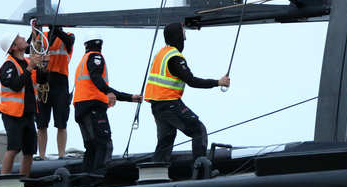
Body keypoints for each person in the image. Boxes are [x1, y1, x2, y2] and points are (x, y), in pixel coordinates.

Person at [144, 22, 230, 164]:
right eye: (183, 33)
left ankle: (155, 175)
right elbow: (192, 81)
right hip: (170, 104)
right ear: (177, 36)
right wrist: (218, 82)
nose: (185, 37)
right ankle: (201, 171)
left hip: (157, 107)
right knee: (198, 130)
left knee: (165, 141)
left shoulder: (161, 53)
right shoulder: (174, 57)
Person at [73, 33, 141, 173]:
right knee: (104, 145)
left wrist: (129, 98)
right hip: (93, 108)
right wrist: (108, 92)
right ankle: (99, 181)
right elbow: (96, 77)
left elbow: (97, 84)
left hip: (81, 108)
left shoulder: (84, 60)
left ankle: (87, 183)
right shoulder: (95, 57)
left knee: (91, 148)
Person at [0, 33, 43, 175]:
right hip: (12, 113)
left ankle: (24, 182)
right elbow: (16, 85)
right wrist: (31, 68)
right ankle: (3, 181)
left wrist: (44, 67)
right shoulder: (8, 65)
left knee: (29, 150)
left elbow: (41, 80)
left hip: (28, 112)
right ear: (14, 47)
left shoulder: (27, 62)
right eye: (20, 39)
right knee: (14, 148)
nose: (24, 38)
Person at [35, 25, 75, 160]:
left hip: (60, 82)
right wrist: (35, 30)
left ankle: (61, 153)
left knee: (61, 122)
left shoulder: (68, 36)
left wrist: (55, 28)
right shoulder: (42, 36)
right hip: (44, 81)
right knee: (41, 122)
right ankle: (41, 155)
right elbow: (31, 43)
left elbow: (68, 41)